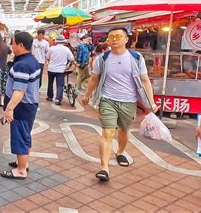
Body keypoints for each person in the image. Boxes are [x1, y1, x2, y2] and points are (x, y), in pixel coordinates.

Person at [81, 27, 157, 181]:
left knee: (123, 131)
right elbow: (94, 78)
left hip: (129, 101)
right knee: (107, 133)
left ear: (126, 39)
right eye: (111, 36)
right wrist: (87, 95)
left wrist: (152, 103)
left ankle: (120, 152)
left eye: (118, 36)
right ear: (107, 40)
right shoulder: (102, 59)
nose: (114, 39)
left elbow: (144, 80)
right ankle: (104, 168)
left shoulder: (136, 58)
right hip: (107, 100)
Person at [0, 31, 41, 180]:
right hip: (30, 105)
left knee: (20, 137)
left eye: (13, 43)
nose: (11, 45)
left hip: (22, 107)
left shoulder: (23, 65)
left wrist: (9, 109)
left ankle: (21, 170)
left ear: (21, 45)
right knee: (25, 135)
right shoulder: (31, 60)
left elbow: (19, 91)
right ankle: (22, 163)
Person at [45, 35, 75, 105]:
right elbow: (72, 59)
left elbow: (47, 58)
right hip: (61, 70)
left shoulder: (51, 48)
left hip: (51, 69)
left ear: (56, 42)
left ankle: (50, 96)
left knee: (50, 83)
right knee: (60, 85)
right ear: (64, 42)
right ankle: (58, 99)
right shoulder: (66, 49)